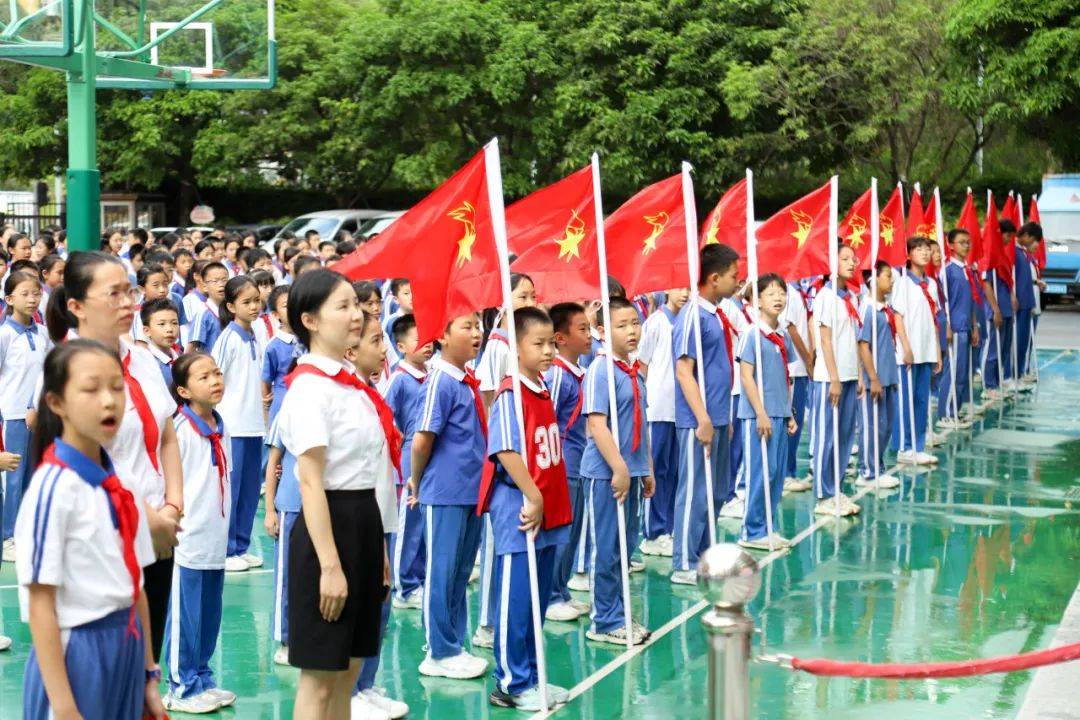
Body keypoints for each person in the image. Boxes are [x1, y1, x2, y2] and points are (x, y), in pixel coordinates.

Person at [16, 340, 164, 720]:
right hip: (77, 652)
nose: (109, 400)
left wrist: (149, 671)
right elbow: (40, 604)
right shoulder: (52, 490)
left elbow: (138, 587)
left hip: (126, 644)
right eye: (91, 389)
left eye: (117, 387)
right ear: (56, 403)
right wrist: (64, 707)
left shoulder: (122, 485)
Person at [44, 251, 182, 661]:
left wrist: (173, 505)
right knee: (110, 661)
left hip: (158, 529)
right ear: (76, 306)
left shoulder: (139, 356)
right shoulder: (66, 371)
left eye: (130, 291)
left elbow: (167, 433)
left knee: (147, 657)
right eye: (114, 294)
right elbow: (86, 461)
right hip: (105, 534)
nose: (128, 303)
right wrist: (149, 519)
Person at [276, 269, 393, 720]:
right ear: (309, 320)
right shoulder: (309, 389)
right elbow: (310, 481)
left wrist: (377, 545)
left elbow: (369, 471)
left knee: (349, 670)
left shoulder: (353, 383)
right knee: (321, 677)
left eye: (355, 305)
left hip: (362, 520)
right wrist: (330, 566)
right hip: (329, 529)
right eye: (341, 307)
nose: (355, 316)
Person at [480, 307, 572, 711]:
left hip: (546, 504)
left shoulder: (541, 386)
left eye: (552, 342)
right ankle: (510, 682)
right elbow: (505, 450)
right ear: (515, 348)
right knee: (516, 599)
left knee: (536, 600)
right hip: (520, 506)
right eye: (539, 344)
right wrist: (533, 496)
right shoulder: (510, 393)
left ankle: (534, 676)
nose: (549, 350)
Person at [407, 312, 488, 679]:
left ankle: (454, 643)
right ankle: (438, 651)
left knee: (458, 571)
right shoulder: (439, 379)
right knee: (440, 572)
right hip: (445, 491)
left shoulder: (466, 380)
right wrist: (416, 481)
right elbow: (423, 438)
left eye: (477, 326)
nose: (477, 333)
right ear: (441, 335)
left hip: (471, 490)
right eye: (466, 327)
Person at [163, 352, 237, 714]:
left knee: (209, 615)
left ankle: (202, 678)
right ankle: (180, 685)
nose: (215, 380)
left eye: (217, 373)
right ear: (183, 390)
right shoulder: (178, 430)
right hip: (187, 539)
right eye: (204, 377)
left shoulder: (222, 427)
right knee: (184, 615)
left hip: (214, 538)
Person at [580, 296, 654, 644]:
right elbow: (597, 424)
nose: (631, 331)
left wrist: (646, 468)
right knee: (607, 547)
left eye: (634, 323)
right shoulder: (601, 370)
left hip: (633, 471)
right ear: (602, 331)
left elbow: (641, 422)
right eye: (621, 325)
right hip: (607, 473)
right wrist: (620, 468)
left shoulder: (632, 369)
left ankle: (619, 610)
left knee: (625, 547)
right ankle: (604, 620)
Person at [347, 311, 409, 720]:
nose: (383, 349)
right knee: (359, 602)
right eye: (375, 341)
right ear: (350, 350)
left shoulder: (371, 390)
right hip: (360, 515)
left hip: (384, 509)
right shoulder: (347, 396)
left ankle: (365, 684)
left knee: (379, 603)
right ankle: (347, 691)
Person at [473, 273, 536, 648]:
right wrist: (498, 441)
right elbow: (488, 394)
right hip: (502, 455)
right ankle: (486, 622)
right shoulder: (498, 344)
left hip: (522, 452)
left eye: (532, 294)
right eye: (521, 294)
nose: (528, 300)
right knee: (497, 541)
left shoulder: (522, 340)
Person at [671, 244, 739, 584]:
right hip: (699, 421)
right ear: (713, 278)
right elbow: (684, 370)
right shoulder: (692, 316)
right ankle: (683, 560)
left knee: (716, 491)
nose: (738, 283)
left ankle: (705, 554)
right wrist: (703, 419)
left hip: (719, 417)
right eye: (733, 277)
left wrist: (721, 418)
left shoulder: (714, 314)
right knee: (695, 489)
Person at [736, 274, 799, 550]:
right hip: (758, 415)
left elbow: (786, 376)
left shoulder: (781, 334)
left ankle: (767, 527)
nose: (778, 297)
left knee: (775, 473)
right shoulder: (752, 333)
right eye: (770, 293)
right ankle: (752, 530)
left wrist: (789, 413)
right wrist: (760, 412)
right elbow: (746, 376)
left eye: (781, 292)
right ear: (757, 300)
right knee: (760, 472)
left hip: (779, 412)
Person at [211, 276, 266, 573]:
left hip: (255, 424)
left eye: (256, 300)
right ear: (231, 306)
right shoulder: (228, 339)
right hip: (233, 425)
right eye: (247, 302)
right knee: (232, 490)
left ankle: (241, 546)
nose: (254, 306)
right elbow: (215, 376)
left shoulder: (257, 333)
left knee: (249, 489)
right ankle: (227, 548)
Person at [543, 302, 593, 622]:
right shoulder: (559, 376)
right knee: (561, 533)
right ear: (560, 338)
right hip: (564, 465)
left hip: (578, 463)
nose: (590, 335)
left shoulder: (578, 372)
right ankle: (550, 596)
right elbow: (550, 421)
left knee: (572, 532)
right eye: (583, 329)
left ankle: (561, 590)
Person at [1, 271, 53, 555]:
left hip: (39, 417)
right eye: (25, 294)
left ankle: (28, 532)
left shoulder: (43, 333)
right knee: (13, 477)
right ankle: (8, 536)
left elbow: (48, 373)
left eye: (36, 293)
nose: (33, 299)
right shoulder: (5, 335)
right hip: (11, 417)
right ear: (9, 299)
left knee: (35, 475)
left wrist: (38, 407)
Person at [810, 244, 863, 516]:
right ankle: (823, 494)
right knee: (826, 437)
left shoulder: (850, 298)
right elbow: (825, 340)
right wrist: (833, 378)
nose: (851, 263)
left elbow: (852, 340)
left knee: (844, 436)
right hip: (830, 378)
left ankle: (836, 488)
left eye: (853, 259)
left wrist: (859, 375)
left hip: (850, 375)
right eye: (844, 259)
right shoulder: (825, 297)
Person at [637, 288, 688, 557]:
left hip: (681, 409)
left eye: (689, 288)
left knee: (674, 471)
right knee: (656, 470)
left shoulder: (689, 320)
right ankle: (653, 532)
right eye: (680, 287)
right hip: (658, 408)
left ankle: (668, 527)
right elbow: (642, 365)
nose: (685, 293)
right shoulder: (656, 323)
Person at [385, 314, 432, 611]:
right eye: (418, 339)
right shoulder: (399, 379)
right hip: (406, 464)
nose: (426, 344)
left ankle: (420, 577)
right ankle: (404, 586)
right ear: (401, 346)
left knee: (424, 525)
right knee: (408, 526)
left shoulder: (432, 373)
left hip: (429, 462)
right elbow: (384, 416)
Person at [891, 236, 942, 465]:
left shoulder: (931, 284)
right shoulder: (903, 283)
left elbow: (933, 320)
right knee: (906, 400)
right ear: (909, 254)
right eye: (918, 249)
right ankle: (904, 446)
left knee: (922, 400)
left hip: (927, 351)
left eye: (927, 249)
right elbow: (898, 317)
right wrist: (906, 347)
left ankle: (918, 445)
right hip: (908, 354)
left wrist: (938, 352)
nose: (924, 253)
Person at [856, 262, 905, 489]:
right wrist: (873, 378)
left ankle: (878, 466)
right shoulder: (867, 308)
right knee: (871, 426)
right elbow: (863, 346)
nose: (891, 280)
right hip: (873, 379)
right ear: (873, 279)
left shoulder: (885, 308)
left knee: (885, 426)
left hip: (888, 376)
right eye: (887, 276)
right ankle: (867, 472)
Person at [263, 415, 299, 666]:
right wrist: (269, 510)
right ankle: (285, 639)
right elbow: (274, 460)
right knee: (286, 576)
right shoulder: (289, 409)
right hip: (291, 504)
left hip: (326, 505)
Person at [939, 229, 980, 428]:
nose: (966, 245)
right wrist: (947, 325)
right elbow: (943, 302)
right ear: (951, 245)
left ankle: (955, 410)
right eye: (962, 242)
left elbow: (971, 300)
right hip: (954, 327)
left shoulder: (968, 270)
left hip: (966, 327)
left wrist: (975, 326)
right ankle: (945, 414)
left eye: (968, 242)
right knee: (952, 372)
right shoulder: (948, 271)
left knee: (963, 373)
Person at [782, 280, 814, 493]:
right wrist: (808, 359)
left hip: (800, 367)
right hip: (795, 366)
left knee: (798, 420)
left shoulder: (796, 291)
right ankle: (786, 473)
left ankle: (789, 470)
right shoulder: (786, 291)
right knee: (792, 421)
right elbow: (791, 328)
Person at [981, 219, 1017, 398]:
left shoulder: (1002, 255)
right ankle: (988, 385)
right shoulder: (989, 255)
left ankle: (997, 381)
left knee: (1003, 348)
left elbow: (1007, 281)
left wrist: (1011, 298)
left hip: (1006, 309)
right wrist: (995, 309)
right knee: (992, 349)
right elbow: (986, 285)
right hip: (995, 310)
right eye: (1007, 235)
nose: (1009, 239)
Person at [261, 285, 298, 427]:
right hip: (283, 404)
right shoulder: (273, 346)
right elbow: (265, 381)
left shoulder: (310, 338)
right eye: (286, 306)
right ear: (276, 314)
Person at [1014, 222, 1041, 382]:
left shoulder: (1024, 254)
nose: (1034, 244)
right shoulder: (1015, 252)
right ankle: (1014, 374)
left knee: (1024, 341)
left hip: (1027, 303)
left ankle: (1020, 372)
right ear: (1027, 236)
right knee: (1017, 342)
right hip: (1019, 304)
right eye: (1034, 240)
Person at [188, 261, 229, 353]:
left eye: (224, 280)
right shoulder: (202, 314)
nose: (221, 284)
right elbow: (191, 348)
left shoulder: (232, 311)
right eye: (215, 281)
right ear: (205, 286)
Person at [140, 298, 183, 386]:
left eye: (174, 323)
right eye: (162, 324)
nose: (170, 329)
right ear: (147, 331)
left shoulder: (181, 358)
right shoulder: (145, 365)